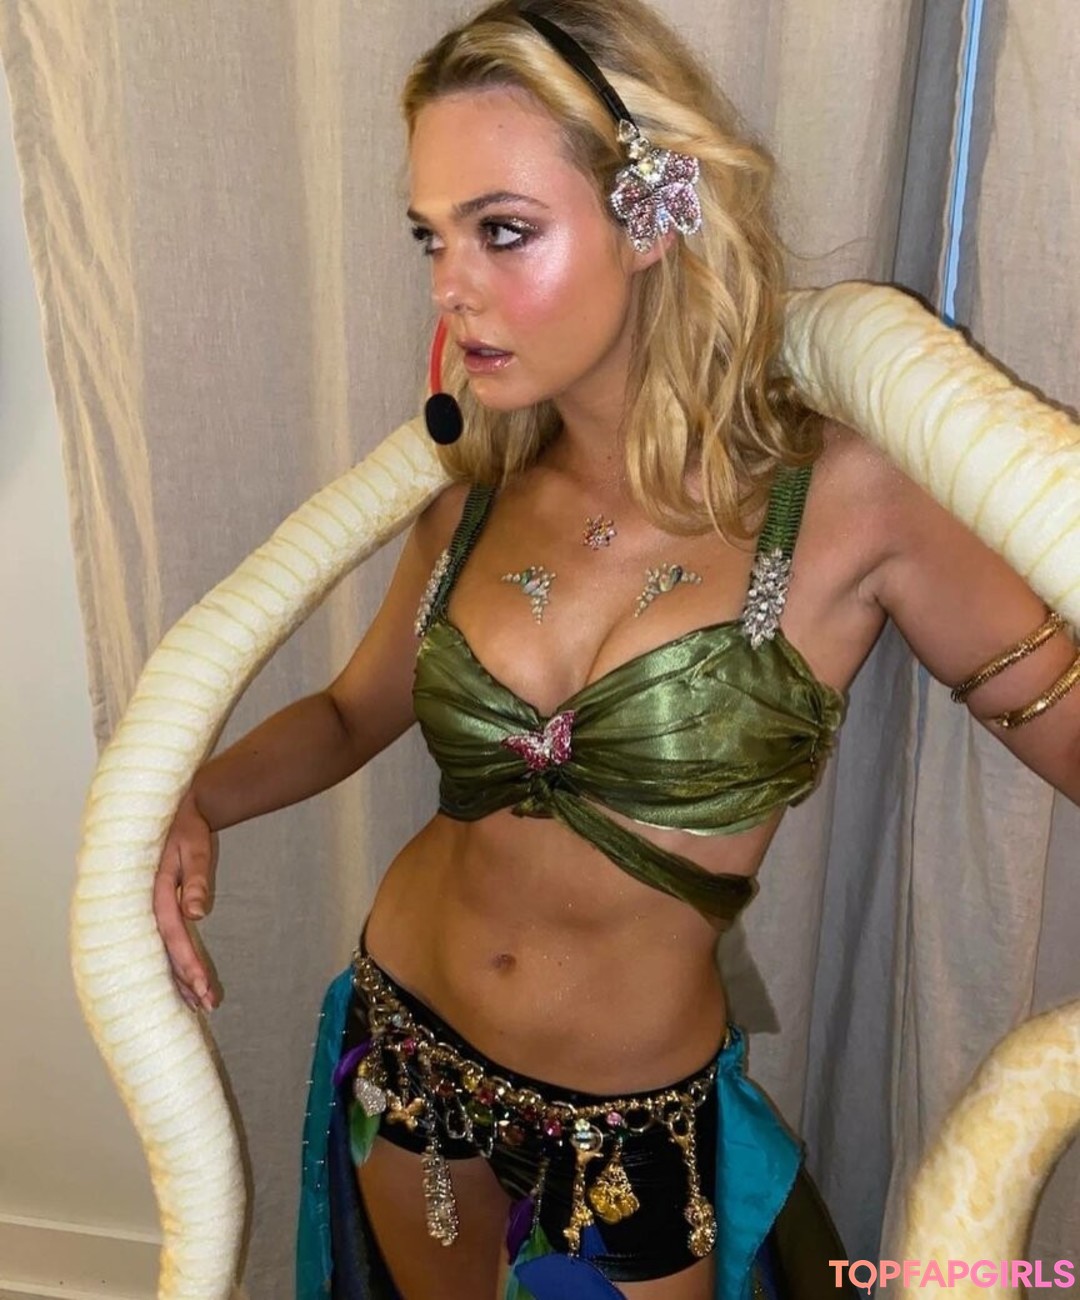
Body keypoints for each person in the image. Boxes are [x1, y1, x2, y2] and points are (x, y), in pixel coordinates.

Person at [152, 2, 1080, 1297]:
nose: (448, 286)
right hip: (404, 1054)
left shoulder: (855, 497)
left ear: (651, 217)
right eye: (431, 236)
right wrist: (192, 798)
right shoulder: (474, 490)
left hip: (627, 1128)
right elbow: (353, 714)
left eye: (502, 230)